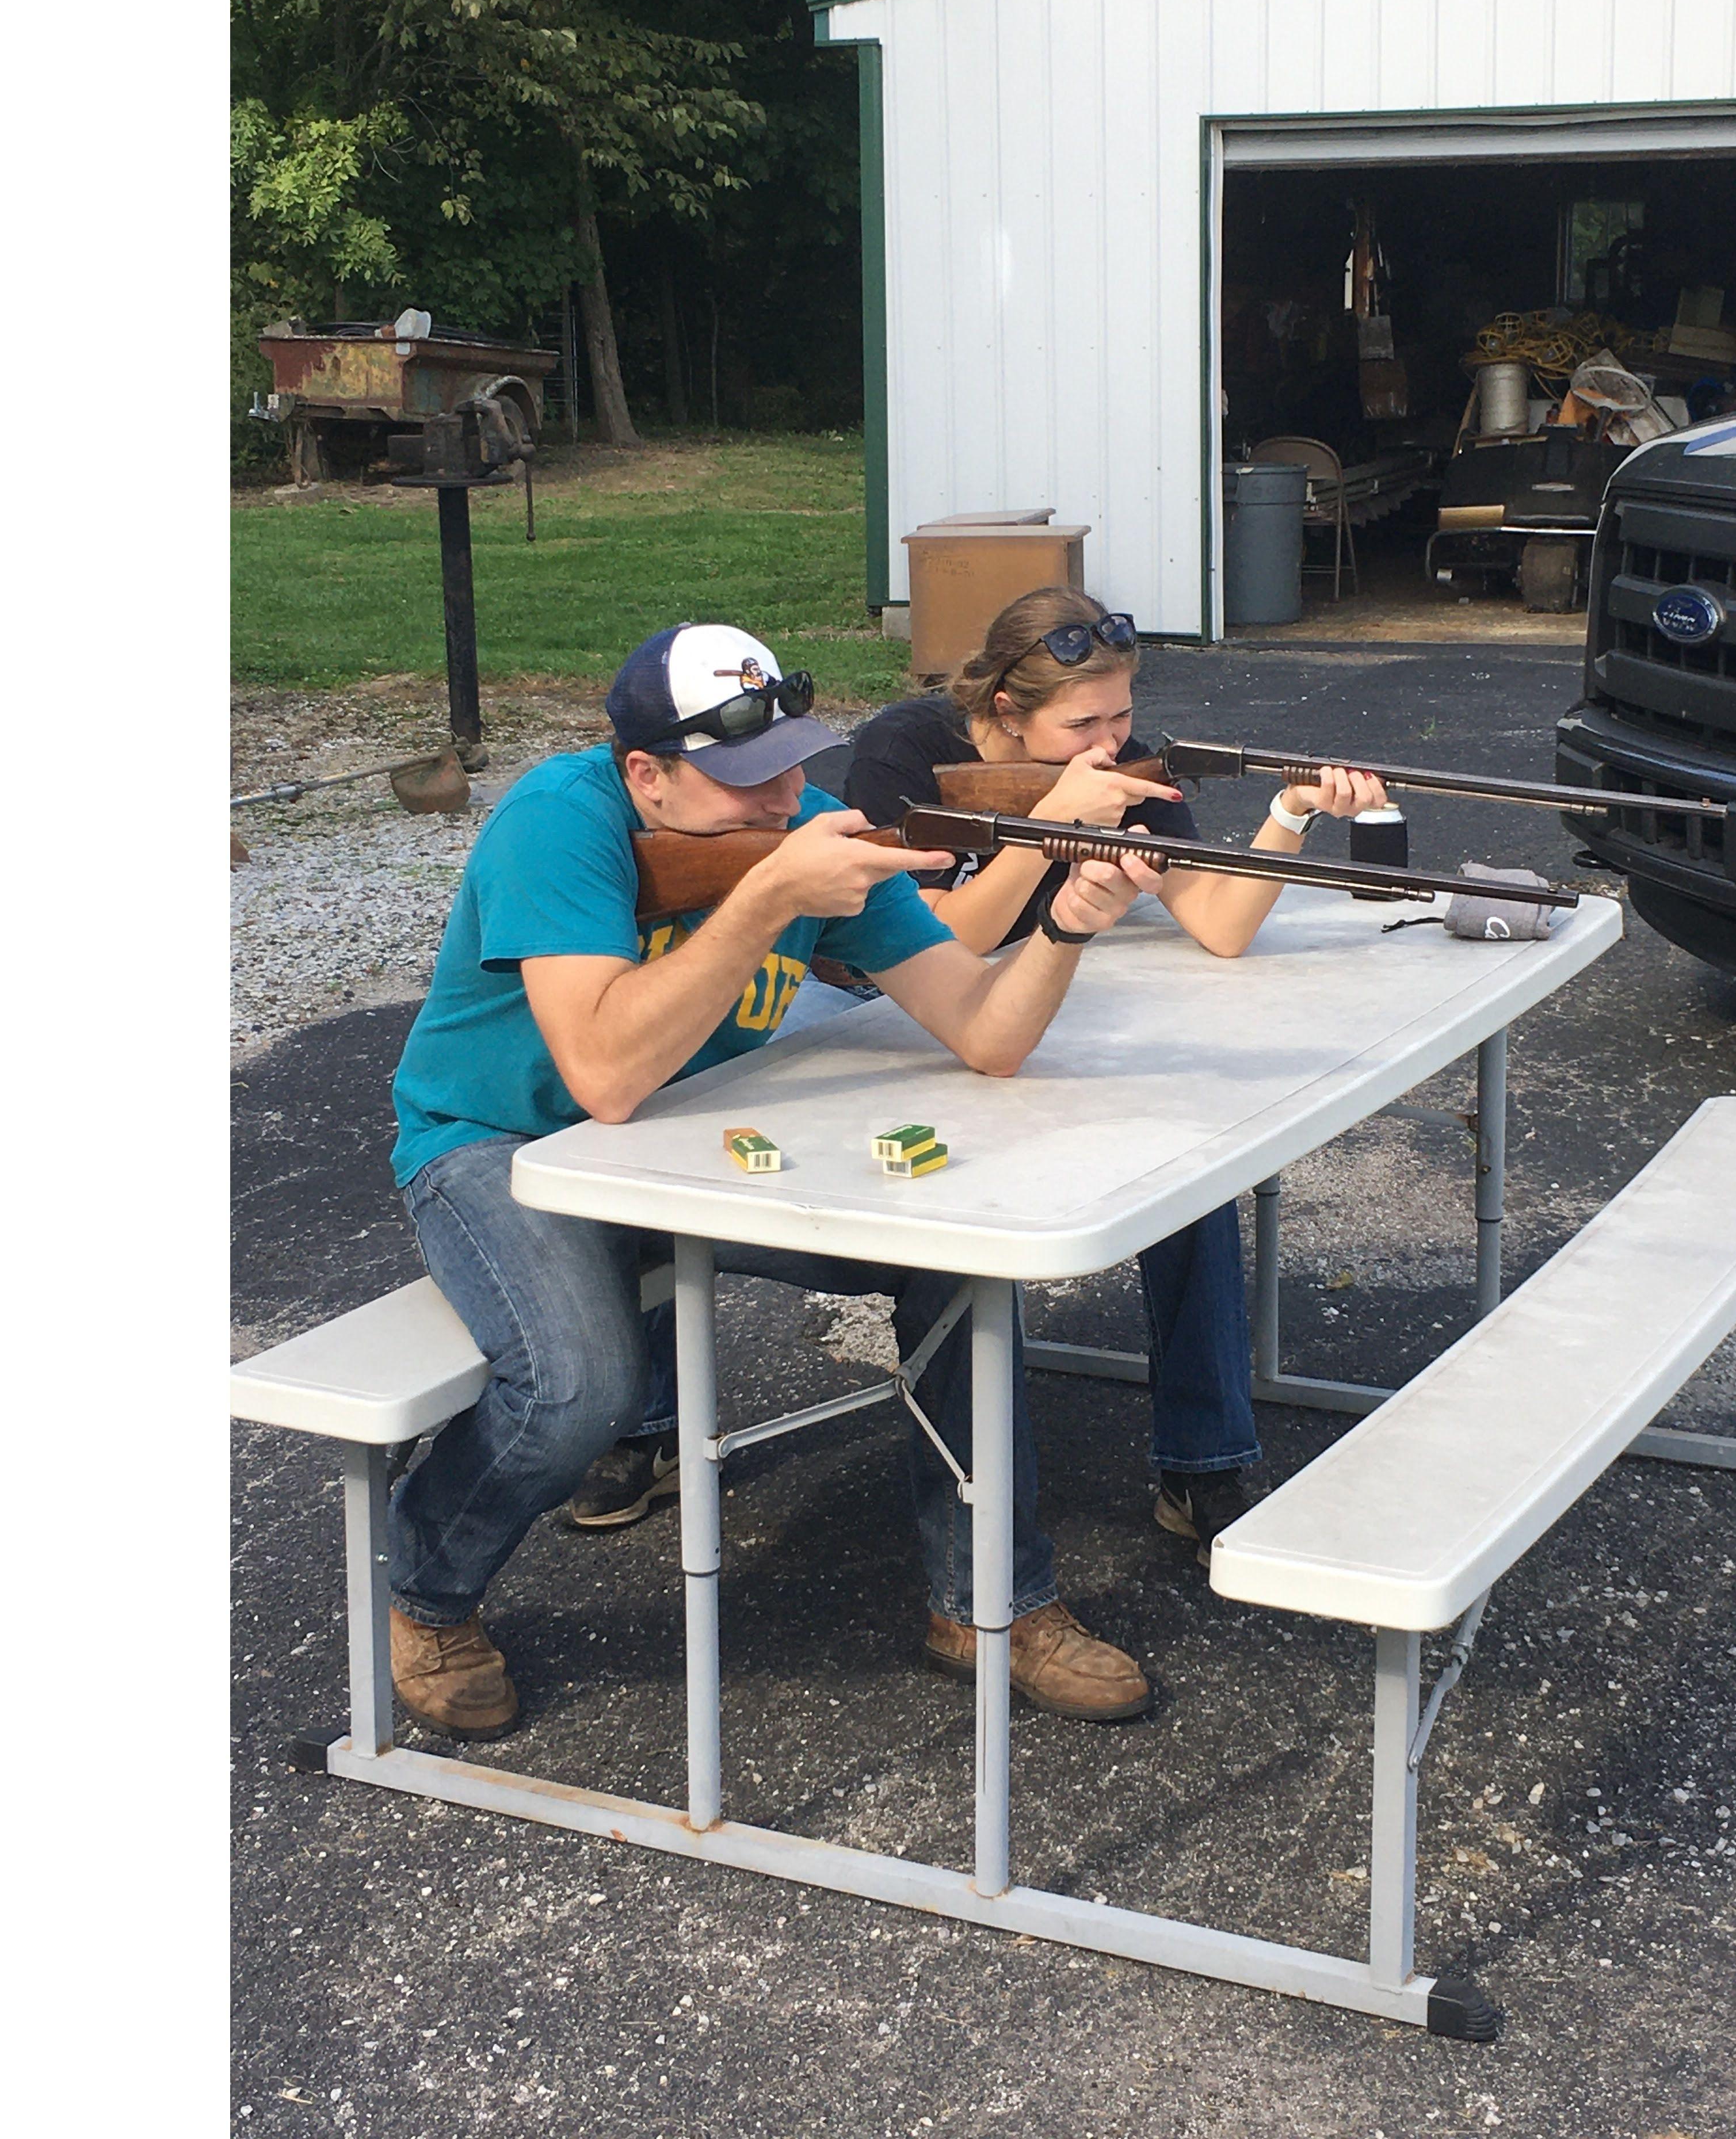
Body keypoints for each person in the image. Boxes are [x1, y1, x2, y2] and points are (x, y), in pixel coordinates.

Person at [383, 621, 1167, 1744]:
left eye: (794, 763)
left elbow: (985, 1031)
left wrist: (1069, 928)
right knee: (578, 1391)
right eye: (746, 776)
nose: (785, 797)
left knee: (955, 1259)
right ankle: (429, 1592)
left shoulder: (798, 828)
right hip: (494, 1139)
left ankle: (989, 1603)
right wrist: (766, 902)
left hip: (685, 1128)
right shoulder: (556, 826)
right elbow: (602, 1076)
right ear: (645, 774)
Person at [843, 586, 1386, 1556]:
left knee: (1187, 1166)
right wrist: (1052, 827)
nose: (1110, 740)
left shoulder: (1121, 770)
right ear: (1006, 711)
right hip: (865, 1015)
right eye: (1080, 722)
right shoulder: (904, 754)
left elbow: (1218, 924)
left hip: (1027, 1003)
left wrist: (1290, 812)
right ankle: (650, 1429)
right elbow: (928, 948)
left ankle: (1206, 1463)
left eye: (1123, 712)